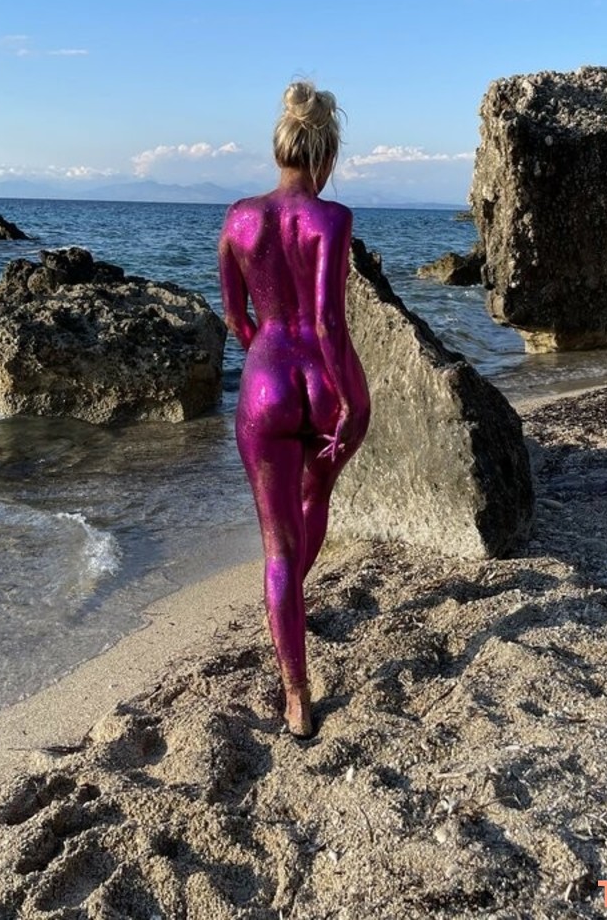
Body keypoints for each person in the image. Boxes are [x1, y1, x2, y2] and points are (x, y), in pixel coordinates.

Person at [218, 81, 371, 738]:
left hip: (266, 386)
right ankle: (288, 606)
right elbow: (330, 323)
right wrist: (353, 403)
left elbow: (235, 317)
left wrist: (265, 357)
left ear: (279, 148)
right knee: (315, 499)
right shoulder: (333, 220)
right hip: (325, 383)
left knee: (277, 549)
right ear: (325, 155)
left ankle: (297, 696)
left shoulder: (238, 219)